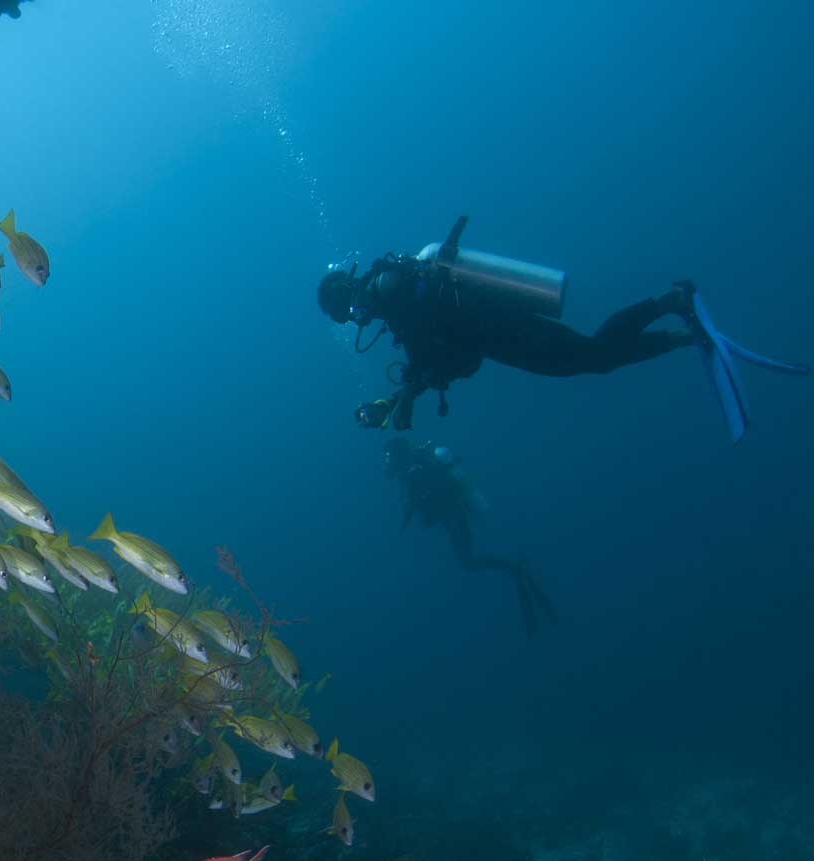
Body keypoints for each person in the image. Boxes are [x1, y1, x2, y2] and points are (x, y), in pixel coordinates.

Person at [319, 216, 807, 437]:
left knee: (593, 356)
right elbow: (442, 352)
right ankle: (679, 328)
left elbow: (439, 350)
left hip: (504, 331)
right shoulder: (391, 289)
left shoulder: (387, 292)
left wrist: (407, 391)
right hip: (502, 333)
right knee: (593, 361)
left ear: (346, 303)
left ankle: (671, 306)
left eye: (345, 316)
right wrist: (407, 391)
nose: (353, 321)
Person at [382, 438, 554, 636]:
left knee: (468, 561)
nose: (387, 460)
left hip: (453, 516)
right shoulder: (410, 472)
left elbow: (416, 504)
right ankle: (515, 568)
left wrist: (403, 527)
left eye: (389, 456)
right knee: (468, 561)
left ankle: (515, 567)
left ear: (399, 455)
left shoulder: (414, 472)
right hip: (451, 517)